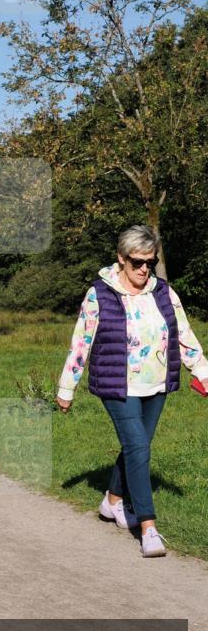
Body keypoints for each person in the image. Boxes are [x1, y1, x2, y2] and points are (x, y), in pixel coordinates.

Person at [56, 225, 208, 558]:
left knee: (137, 447)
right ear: (121, 258)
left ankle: (112, 501)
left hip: (156, 384)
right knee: (138, 445)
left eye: (150, 263)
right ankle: (148, 526)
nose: (144, 269)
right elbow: (81, 342)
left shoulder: (163, 292)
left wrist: (203, 371)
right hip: (117, 385)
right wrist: (67, 387)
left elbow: (183, 333)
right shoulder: (100, 293)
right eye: (137, 262)